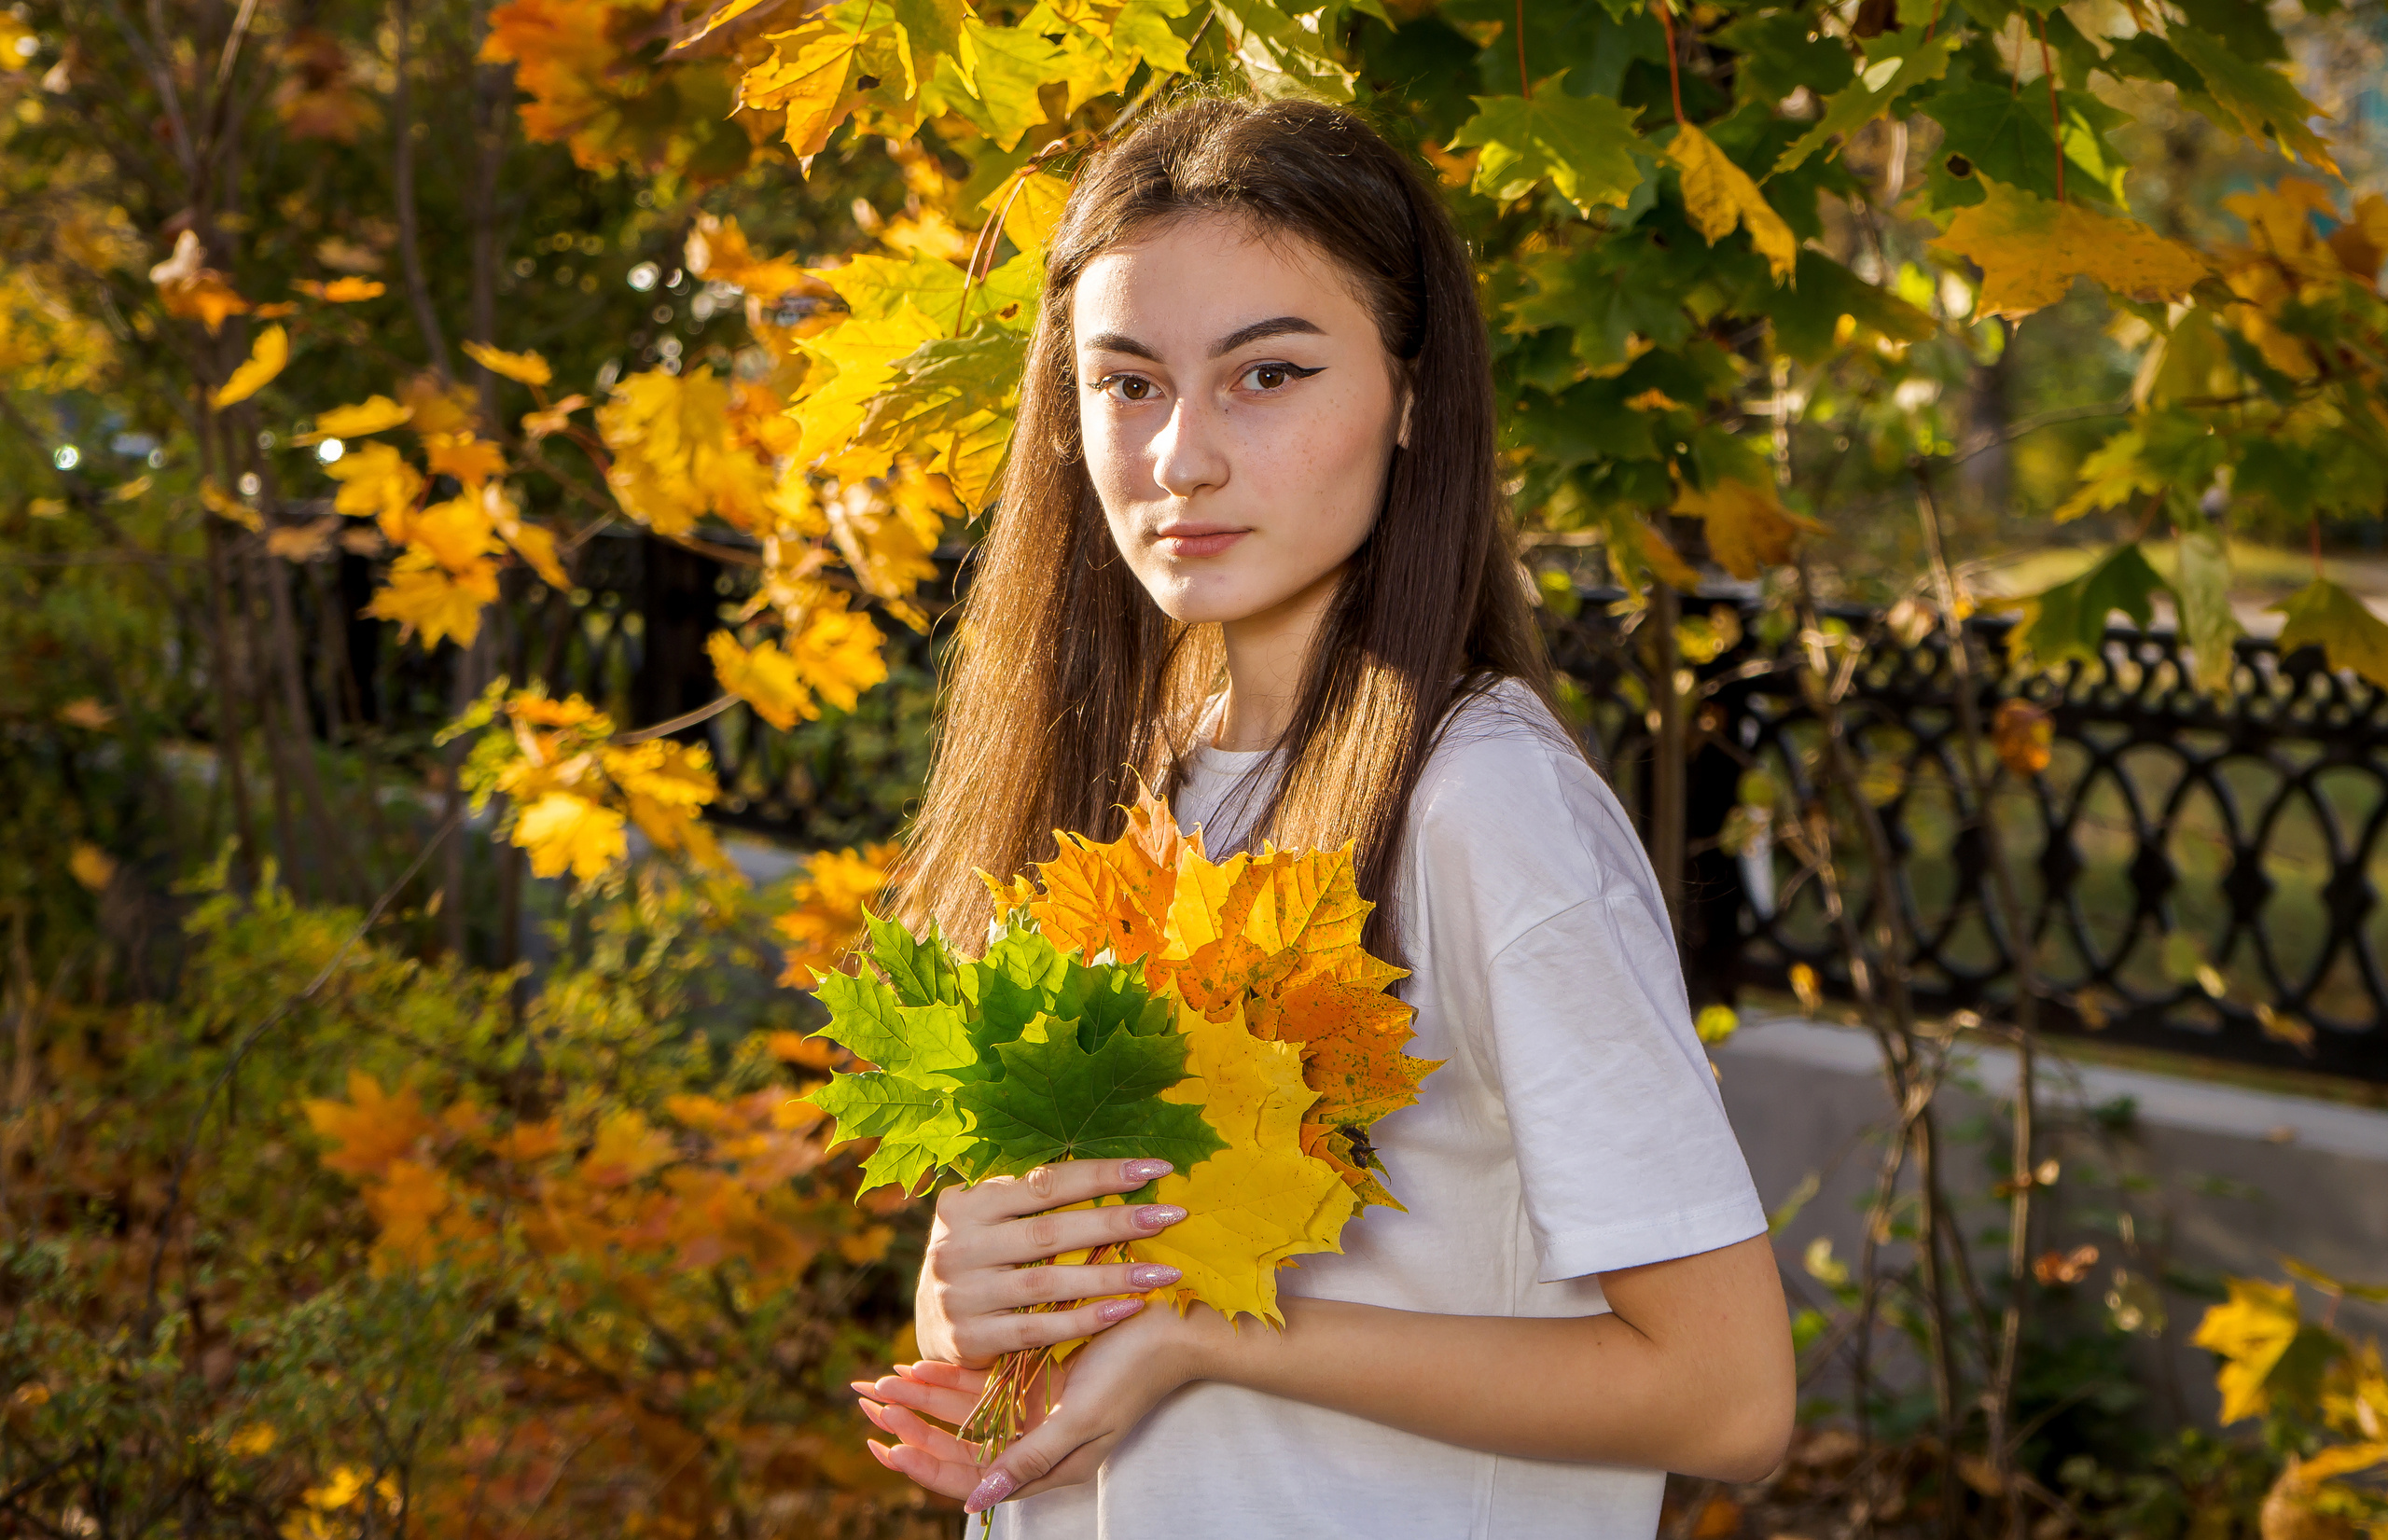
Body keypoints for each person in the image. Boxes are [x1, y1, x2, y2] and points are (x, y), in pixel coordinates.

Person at [848, 93, 1794, 1539]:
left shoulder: (1485, 806)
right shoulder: (1114, 787)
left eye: (1268, 375)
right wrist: (972, 1295)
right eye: (1128, 384)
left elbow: (1729, 1396)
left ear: (1413, 396)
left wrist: (1211, 1337)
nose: (1181, 459)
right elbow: (1060, 1331)